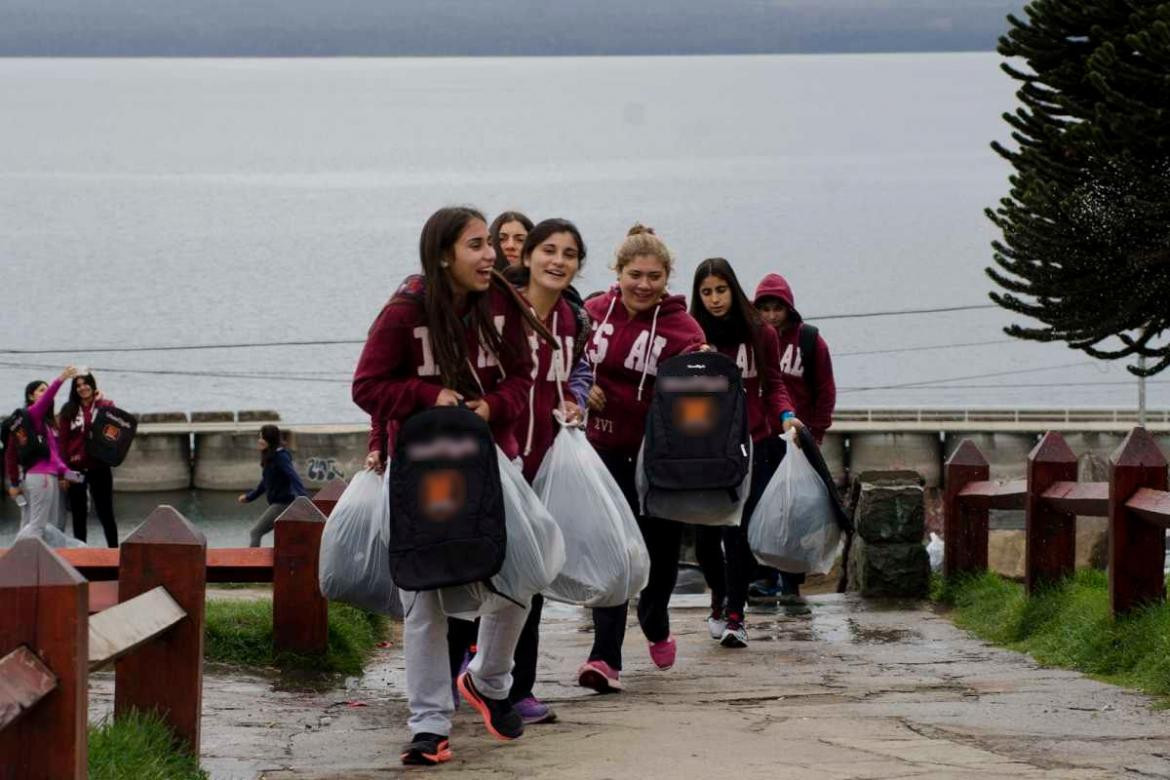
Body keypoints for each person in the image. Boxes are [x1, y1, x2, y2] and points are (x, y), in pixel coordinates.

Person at [352, 206, 540, 767]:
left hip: (489, 464)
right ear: (442, 255)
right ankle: (429, 727)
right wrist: (427, 396)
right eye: (477, 245)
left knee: (524, 570)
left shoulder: (503, 303)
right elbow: (367, 386)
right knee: (425, 598)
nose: (492, 255)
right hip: (422, 474)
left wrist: (491, 406)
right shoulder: (404, 311)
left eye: (491, 245)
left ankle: (488, 679)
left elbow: (522, 379)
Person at [576, 224, 706, 693]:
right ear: (619, 272)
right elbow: (565, 363)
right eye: (636, 274)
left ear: (667, 277)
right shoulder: (592, 312)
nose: (644, 285)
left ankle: (655, 618)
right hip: (601, 451)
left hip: (658, 461)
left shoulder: (683, 329)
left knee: (658, 556)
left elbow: (700, 394)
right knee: (612, 551)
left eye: (654, 276)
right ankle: (604, 657)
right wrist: (579, 386)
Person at [689, 259, 803, 648]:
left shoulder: (761, 333)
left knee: (737, 533)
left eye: (721, 290)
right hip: (704, 448)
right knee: (705, 541)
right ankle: (719, 595)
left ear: (733, 290)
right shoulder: (692, 333)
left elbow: (773, 385)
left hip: (749, 443)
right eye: (707, 292)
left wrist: (786, 416)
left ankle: (736, 614)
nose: (715, 299)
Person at [750, 273, 837, 600]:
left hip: (798, 441)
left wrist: (816, 432)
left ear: (789, 309)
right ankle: (765, 578)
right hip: (761, 437)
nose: (771, 315)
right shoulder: (754, 342)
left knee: (796, 514)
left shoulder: (810, 342)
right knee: (762, 508)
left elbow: (825, 390)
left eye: (777, 308)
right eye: (765, 309)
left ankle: (791, 584)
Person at [11, 367, 78, 534]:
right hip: (40, 476)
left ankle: (36, 556)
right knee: (37, 524)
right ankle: (21, 557)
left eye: (46, 390)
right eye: (41, 390)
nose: (45, 393)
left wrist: (74, 475)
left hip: (50, 475)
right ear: (30, 396)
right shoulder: (31, 415)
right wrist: (61, 379)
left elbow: (54, 459)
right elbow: (47, 399)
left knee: (50, 525)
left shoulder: (45, 425)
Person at [57, 372, 119, 546]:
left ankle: (114, 551)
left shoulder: (106, 405)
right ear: (74, 389)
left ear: (93, 385)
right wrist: (63, 473)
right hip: (75, 469)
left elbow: (114, 426)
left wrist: (99, 403)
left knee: (105, 512)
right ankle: (81, 552)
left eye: (86, 384)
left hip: (100, 466)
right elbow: (62, 442)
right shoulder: (68, 410)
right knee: (78, 513)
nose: (82, 388)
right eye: (78, 385)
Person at [238, 424, 308, 547]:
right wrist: (249, 497)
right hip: (278, 503)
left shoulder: (280, 457)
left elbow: (293, 476)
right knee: (285, 536)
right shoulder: (270, 456)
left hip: (283, 504)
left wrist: (303, 497)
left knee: (256, 532)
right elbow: (265, 482)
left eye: (262, 438)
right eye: (259, 437)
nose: (259, 441)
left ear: (270, 440)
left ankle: (253, 562)